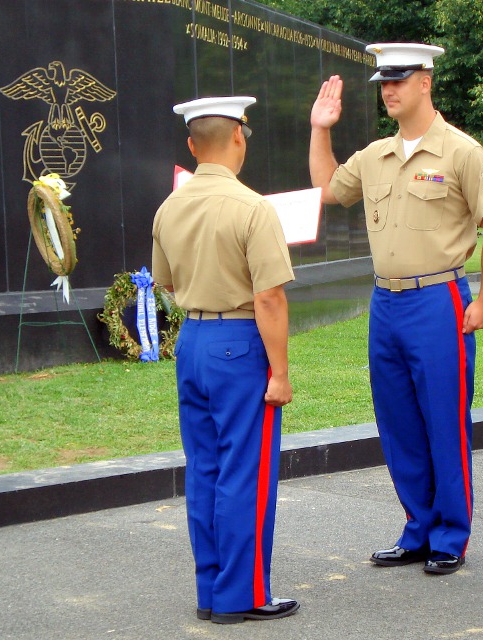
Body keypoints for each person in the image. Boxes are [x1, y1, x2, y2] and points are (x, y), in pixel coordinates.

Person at [309, 43, 483, 574]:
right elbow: (327, 188)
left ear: (426, 81)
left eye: (399, 79)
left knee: (444, 420)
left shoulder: (463, 152)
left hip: (438, 298)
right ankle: (417, 527)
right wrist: (321, 128)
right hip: (386, 302)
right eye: (383, 81)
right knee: (397, 422)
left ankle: (450, 536)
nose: (389, 89)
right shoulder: (375, 155)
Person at [152, 96, 299, 623]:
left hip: (192, 341)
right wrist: (279, 372)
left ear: (192, 146)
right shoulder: (252, 207)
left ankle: (211, 591)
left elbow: (165, 282)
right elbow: (269, 298)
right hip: (239, 343)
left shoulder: (170, 206)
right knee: (246, 472)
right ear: (239, 136)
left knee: (206, 470)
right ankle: (244, 595)